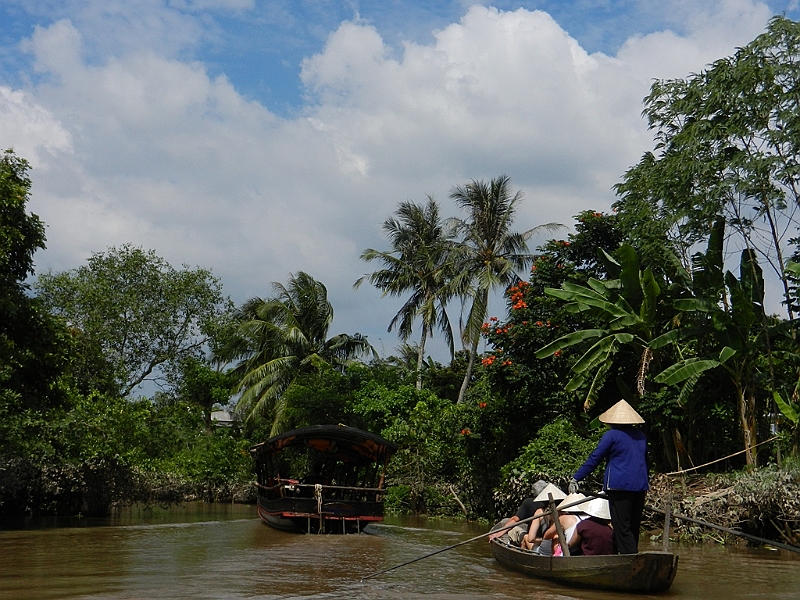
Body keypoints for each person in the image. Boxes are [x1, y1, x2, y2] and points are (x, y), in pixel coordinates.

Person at [569, 399, 649, 554]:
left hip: (619, 486)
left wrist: (576, 478)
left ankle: (630, 558)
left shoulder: (611, 435)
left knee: (621, 527)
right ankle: (632, 555)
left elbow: (595, 459)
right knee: (633, 526)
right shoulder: (640, 435)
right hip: (640, 486)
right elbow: (645, 460)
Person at [488, 480, 559, 542]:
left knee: (513, 529)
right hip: (553, 539)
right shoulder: (558, 504)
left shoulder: (529, 503)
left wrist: (499, 533)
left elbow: (515, 520)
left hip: (535, 539)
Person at [519, 483, 566, 554]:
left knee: (525, 537)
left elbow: (531, 539)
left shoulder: (540, 512)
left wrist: (542, 540)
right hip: (562, 549)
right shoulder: (565, 513)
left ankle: (523, 559)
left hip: (544, 552)